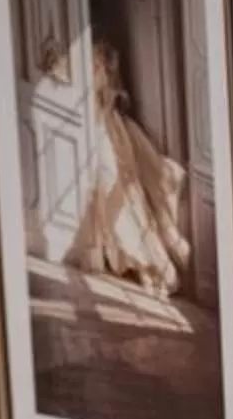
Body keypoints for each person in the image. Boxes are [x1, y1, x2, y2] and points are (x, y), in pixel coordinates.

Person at [69, 34, 192, 298]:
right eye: (98, 63)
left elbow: (105, 112)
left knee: (128, 202)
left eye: (100, 64)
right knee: (119, 204)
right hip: (104, 140)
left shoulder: (107, 99)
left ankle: (155, 268)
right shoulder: (97, 92)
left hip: (109, 139)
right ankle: (148, 267)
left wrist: (105, 104)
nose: (99, 68)